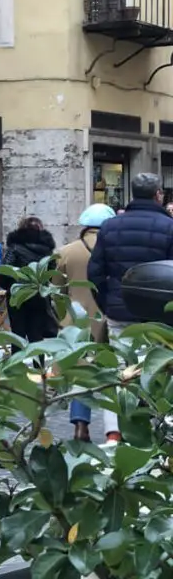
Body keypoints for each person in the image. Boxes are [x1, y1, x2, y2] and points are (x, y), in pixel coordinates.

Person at [88, 172, 173, 444]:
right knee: (156, 369)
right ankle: (153, 427)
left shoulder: (110, 227)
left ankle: (114, 432)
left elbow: (96, 272)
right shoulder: (169, 227)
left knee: (119, 370)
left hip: (119, 311)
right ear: (158, 194)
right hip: (159, 316)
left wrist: (107, 304)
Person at [59, 203, 116, 441]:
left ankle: (80, 424)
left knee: (81, 374)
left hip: (77, 319)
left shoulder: (67, 251)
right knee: (114, 372)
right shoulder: (114, 249)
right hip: (108, 316)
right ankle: (115, 430)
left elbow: (55, 287)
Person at [0, 216, 58, 343]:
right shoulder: (48, 252)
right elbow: (51, 275)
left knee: (17, 337)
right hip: (39, 296)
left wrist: (10, 287)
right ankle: (39, 363)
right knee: (37, 336)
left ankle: (17, 362)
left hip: (17, 296)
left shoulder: (14, 248)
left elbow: (3, 272)